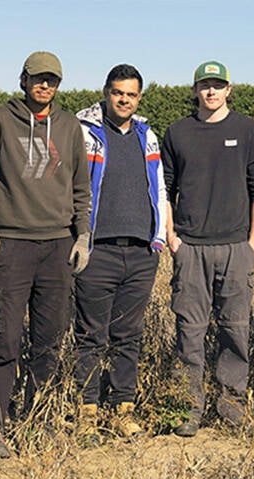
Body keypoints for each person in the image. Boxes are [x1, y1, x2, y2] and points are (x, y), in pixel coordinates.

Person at [0, 51, 91, 458]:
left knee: (49, 342)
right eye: (37, 78)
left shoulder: (69, 127)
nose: (44, 86)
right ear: (23, 79)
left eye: (52, 80)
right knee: (5, 339)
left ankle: (37, 421)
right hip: (12, 247)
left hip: (57, 248)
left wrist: (82, 236)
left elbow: (81, 188)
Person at [162, 61, 254, 437]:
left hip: (236, 247)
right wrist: (173, 238)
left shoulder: (248, 130)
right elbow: (166, 191)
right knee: (189, 332)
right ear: (194, 90)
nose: (211, 92)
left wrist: (252, 243)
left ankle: (231, 404)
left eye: (218, 85)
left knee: (236, 330)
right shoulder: (177, 132)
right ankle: (188, 407)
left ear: (229, 90)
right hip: (191, 247)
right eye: (204, 85)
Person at [73, 64, 167, 441]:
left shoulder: (148, 136)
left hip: (141, 252)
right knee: (91, 335)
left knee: (129, 334)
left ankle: (122, 409)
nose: (124, 99)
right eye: (117, 92)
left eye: (130, 94)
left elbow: (159, 187)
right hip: (99, 251)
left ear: (139, 97)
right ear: (106, 93)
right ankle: (86, 411)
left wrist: (157, 240)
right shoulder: (83, 133)